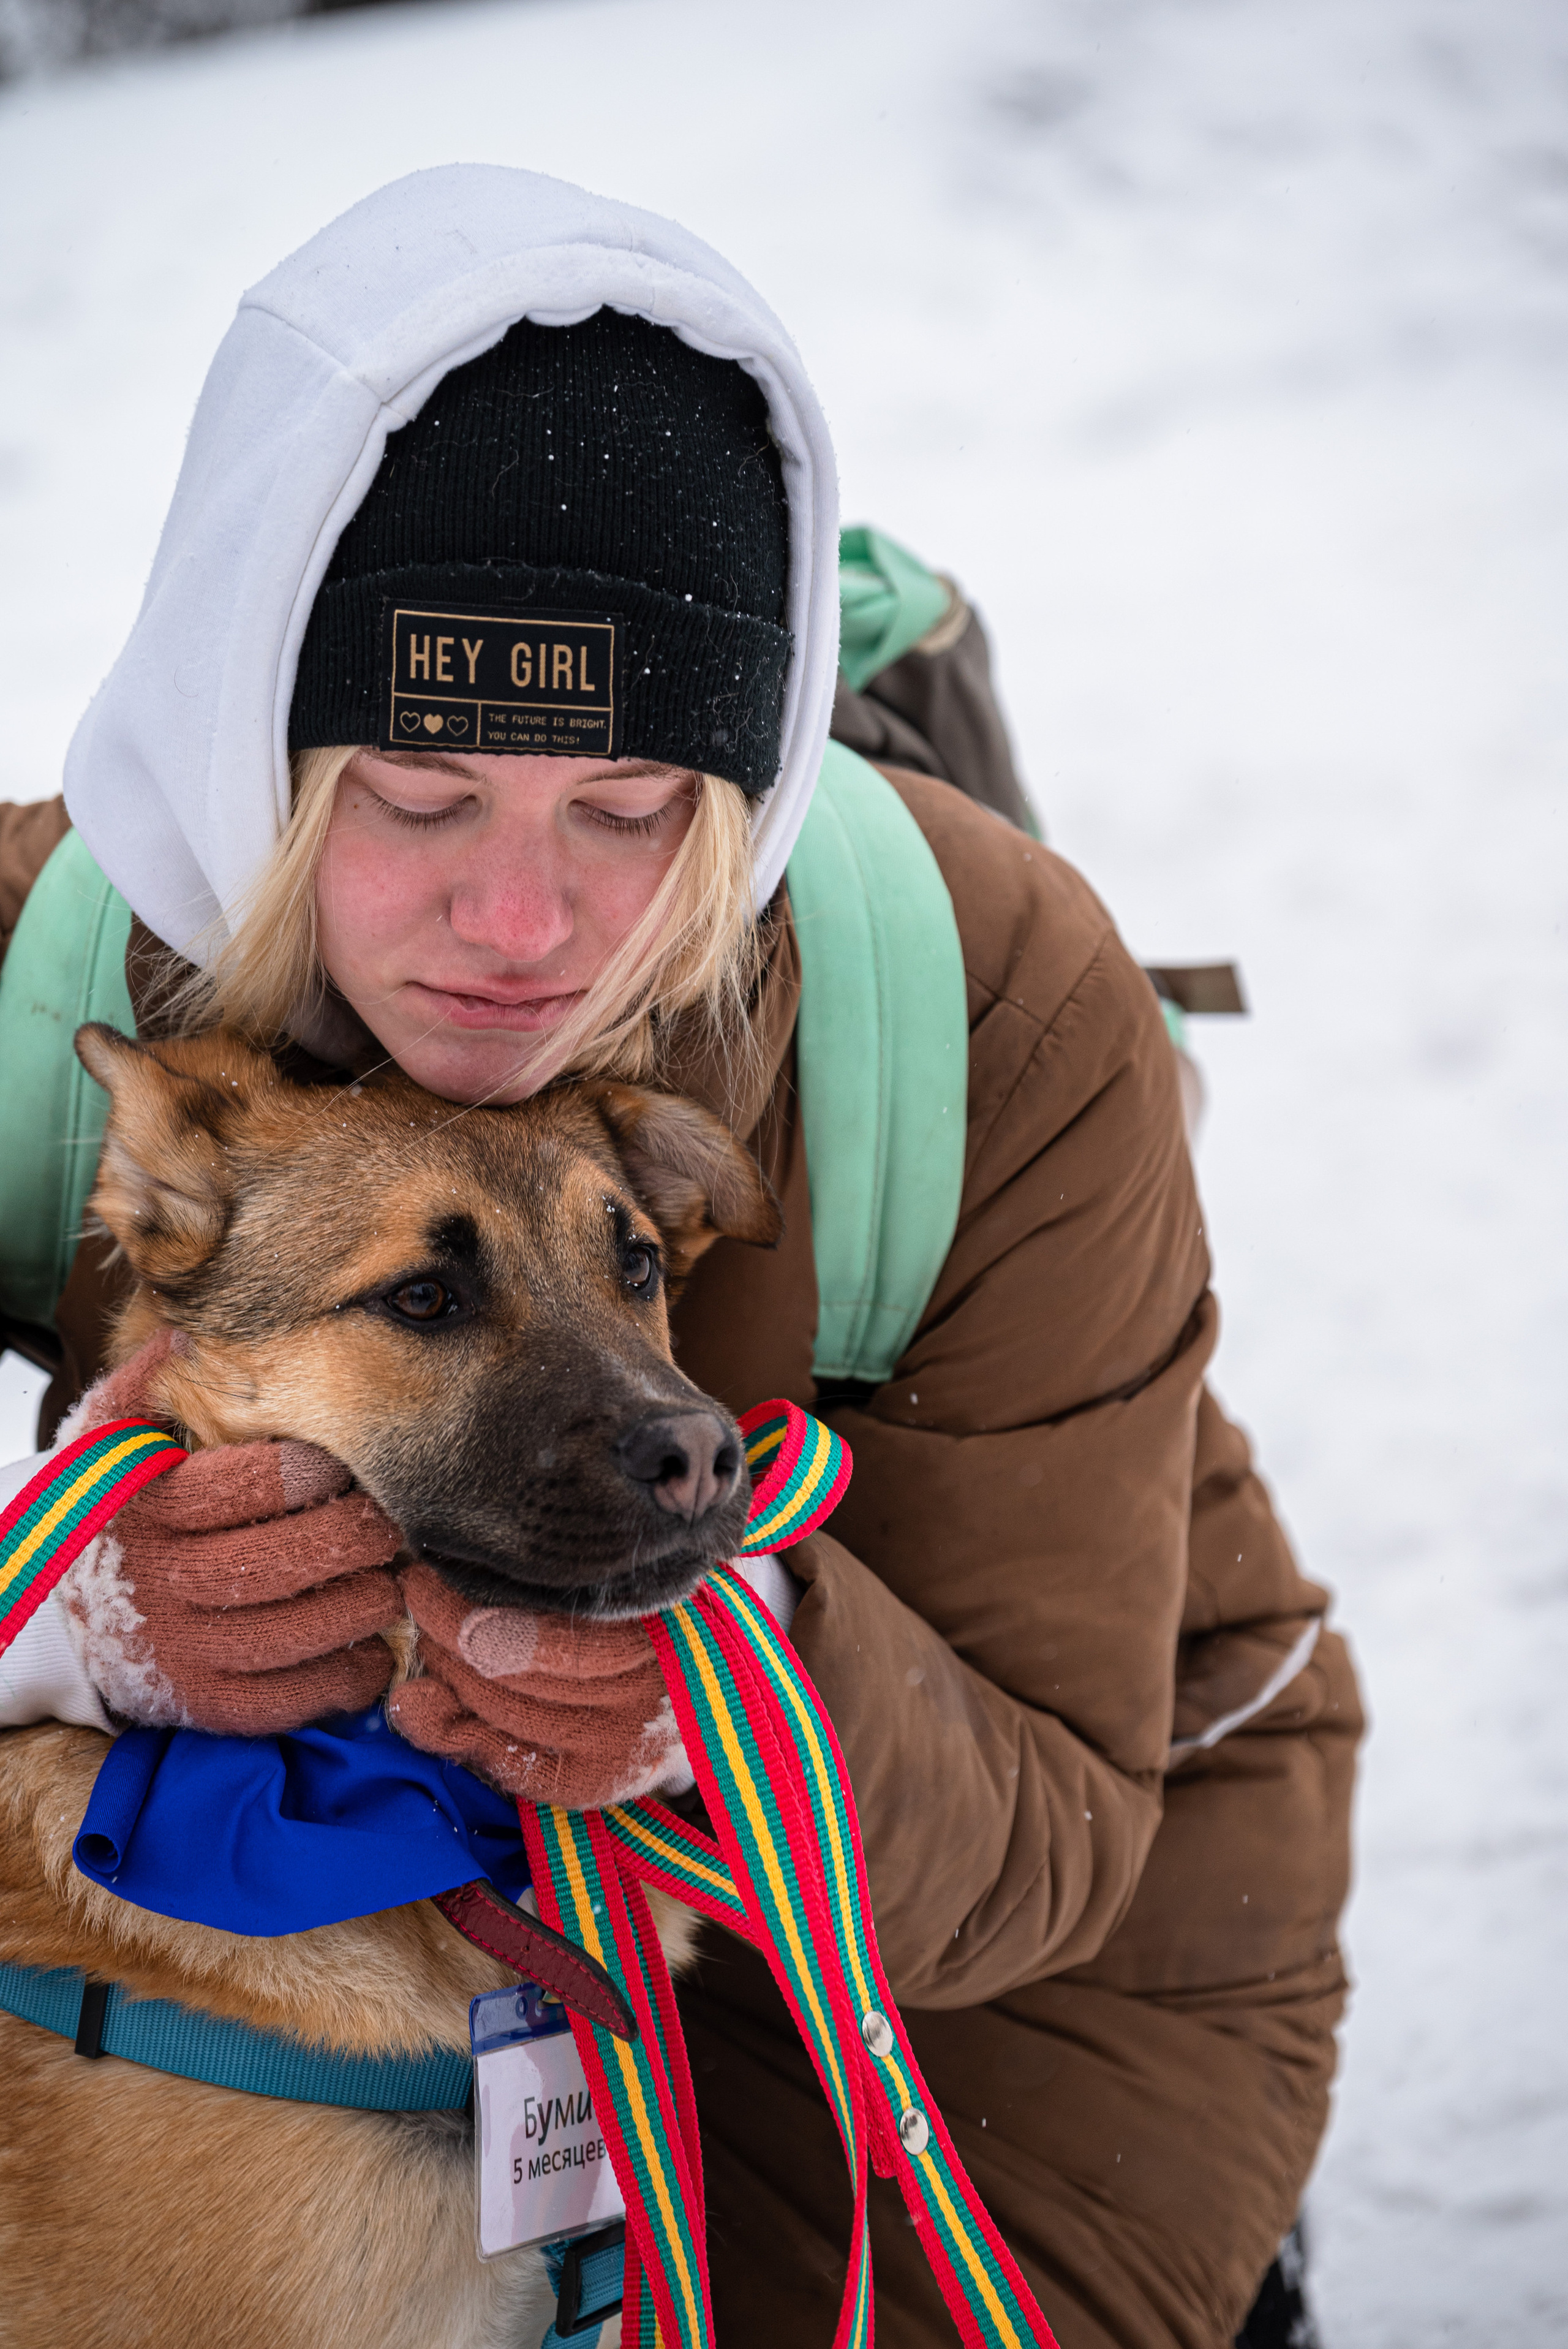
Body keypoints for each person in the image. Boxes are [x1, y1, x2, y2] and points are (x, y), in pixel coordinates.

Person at [0, 167, 1360, 2349]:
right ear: (263, 739)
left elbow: (1059, 1826)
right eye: (422, 792)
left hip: (1010, 1920)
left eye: (629, 807)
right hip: (298, 1879)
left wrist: (732, 1700)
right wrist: (80, 1610)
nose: (523, 923)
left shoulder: (996, 1002)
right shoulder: (34, 969)